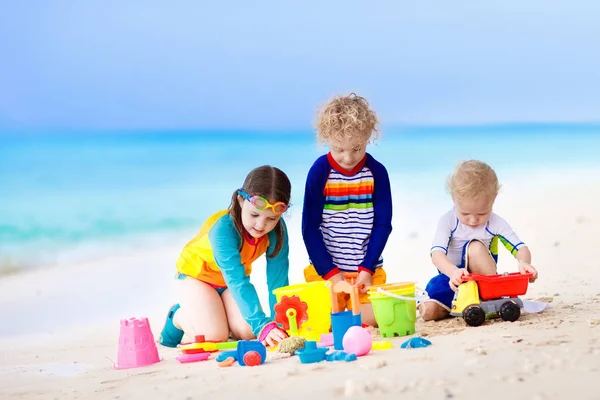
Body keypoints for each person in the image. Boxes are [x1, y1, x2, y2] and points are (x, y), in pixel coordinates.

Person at [159, 165, 291, 348]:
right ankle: (178, 316)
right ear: (240, 200)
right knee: (214, 336)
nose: (261, 225)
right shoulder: (223, 230)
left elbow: (278, 281)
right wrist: (262, 324)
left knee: (248, 332)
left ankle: (216, 314)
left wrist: (280, 322)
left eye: (271, 219)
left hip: (227, 284)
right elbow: (237, 281)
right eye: (254, 214)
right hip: (197, 277)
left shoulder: (278, 231)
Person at [301, 93, 393, 326]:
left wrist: (367, 269)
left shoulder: (377, 173)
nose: (348, 157)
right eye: (339, 149)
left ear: (367, 138)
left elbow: (382, 225)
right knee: (321, 321)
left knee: (370, 320)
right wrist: (330, 273)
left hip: (366, 273)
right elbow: (309, 228)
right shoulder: (320, 172)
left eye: (357, 148)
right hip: (327, 273)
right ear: (326, 139)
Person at [421, 160, 539, 321]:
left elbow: (520, 248)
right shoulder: (448, 221)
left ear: (494, 200)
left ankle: (483, 300)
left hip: (484, 283)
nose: (473, 220)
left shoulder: (495, 223)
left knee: (475, 247)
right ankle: (460, 305)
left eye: (482, 213)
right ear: (454, 199)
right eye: (465, 214)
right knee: (428, 312)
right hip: (454, 281)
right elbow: (436, 254)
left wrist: (524, 262)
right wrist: (453, 271)